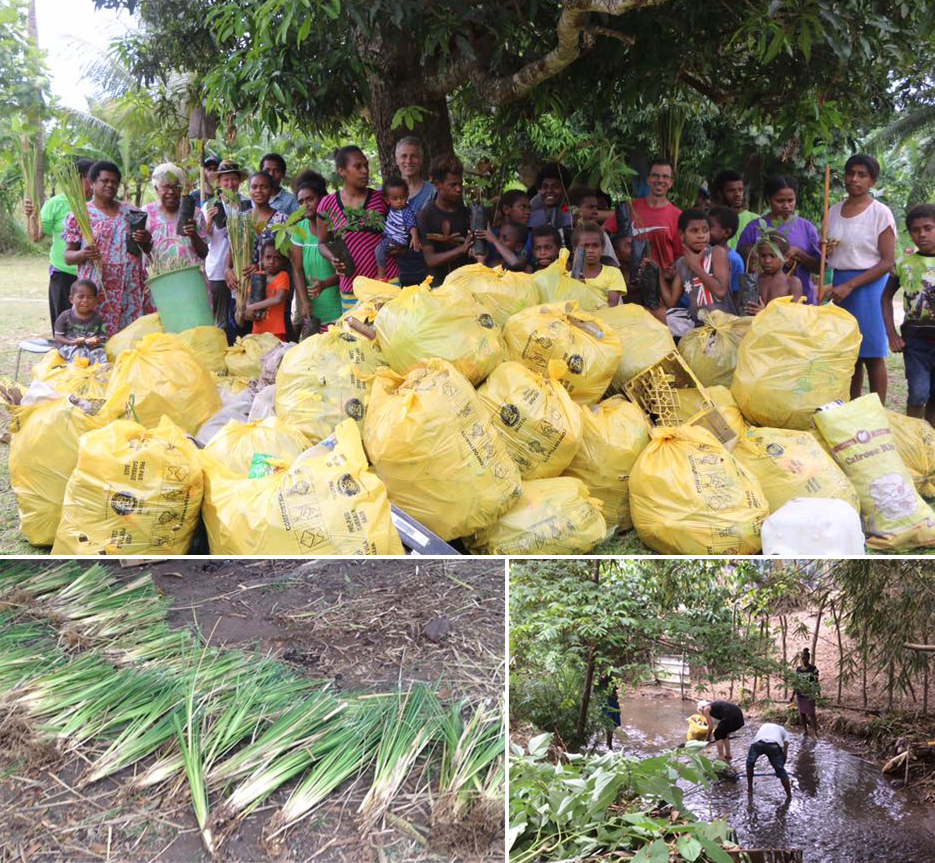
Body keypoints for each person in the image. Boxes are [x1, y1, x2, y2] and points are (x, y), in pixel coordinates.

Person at [827, 154, 897, 402]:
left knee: (872, 354)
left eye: (862, 175)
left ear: (872, 181)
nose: (854, 179)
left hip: (869, 287)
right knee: (849, 354)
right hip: (840, 286)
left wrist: (851, 285)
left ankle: (877, 411)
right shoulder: (833, 211)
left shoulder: (880, 213)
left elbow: (887, 262)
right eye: (850, 173)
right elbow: (827, 255)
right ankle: (851, 408)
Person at [63, 160, 152, 336]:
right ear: (92, 183)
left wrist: (145, 239)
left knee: (129, 338)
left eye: (114, 182)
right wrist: (83, 254)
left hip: (128, 288)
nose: (110, 185)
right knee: (96, 337)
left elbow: (146, 248)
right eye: (105, 181)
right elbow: (68, 256)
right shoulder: (80, 214)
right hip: (97, 288)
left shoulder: (131, 212)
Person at [318, 145, 395, 312]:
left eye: (366, 165)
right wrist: (333, 258)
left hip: (385, 281)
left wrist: (397, 246)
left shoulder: (381, 199)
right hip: (351, 286)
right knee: (354, 328)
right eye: (358, 166)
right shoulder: (327, 205)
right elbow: (322, 243)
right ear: (342, 171)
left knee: (390, 327)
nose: (365, 171)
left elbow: (399, 233)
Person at [24, 157, 94, 333]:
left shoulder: (98, 205)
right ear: (77, 179)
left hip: (93, 276)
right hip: (64, 274)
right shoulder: (55, 204)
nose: (94, 185)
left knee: (91, 328)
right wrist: (31, 216)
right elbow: (36, 237)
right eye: (91, 180)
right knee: (64, 327)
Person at [883, 204, 935, 424]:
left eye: (928, 228)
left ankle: (929, 439)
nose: (921, 234)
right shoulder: (903, 264)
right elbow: (885, 297)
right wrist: (891, 334)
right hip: (915, 341)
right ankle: (911, 434)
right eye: (915, 230)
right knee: (918, 394)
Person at [736, 175, 821, 303]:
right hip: (762, 304)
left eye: (790, 200)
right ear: (768, 200)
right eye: (780, 201)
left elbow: (819, 268)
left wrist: (799, 254)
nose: (786, 205)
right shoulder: (754, 228)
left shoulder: (807, 228)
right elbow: (744, 262)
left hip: (801, 303)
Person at [603, 158, 684, 272]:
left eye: (665, 177)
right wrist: (613, 263)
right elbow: (601, 234)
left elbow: (681, 255)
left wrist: (673, 271)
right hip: (628, 280)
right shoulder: (629, 208)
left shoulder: (678, 216)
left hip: (662, 280)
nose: (660, 180)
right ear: (648, 179)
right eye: (655, 175)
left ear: (671, 182)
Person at [660, 209, 733, 335]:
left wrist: (696, 266)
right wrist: (658, 275)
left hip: (724, 326)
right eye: (694, 231)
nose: (701, 235)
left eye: (705, 230)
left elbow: (720, 292)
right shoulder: (681, 263)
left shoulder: (717, 253)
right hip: (699, 327)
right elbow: (671, 302)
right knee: (659, 316)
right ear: (681, 234)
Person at [203, 160, 249, 339]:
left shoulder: (246, 204)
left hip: (241, 269)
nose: (230, 184)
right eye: (226, 180)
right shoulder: (211, 205)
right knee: (219, 320)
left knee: (239, 316)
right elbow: (204, 239)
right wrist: (208, 223)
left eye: (234, 179)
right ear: (219, 182)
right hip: (217, 270)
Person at [290, 175, 340, 336]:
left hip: (338, 302)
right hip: (313, 306)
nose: (305, 205)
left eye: (310, 199)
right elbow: (297, 269)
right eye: (301, 202)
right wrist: (304, 301)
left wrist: (325, 284)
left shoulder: (335, 227)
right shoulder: (299, 230)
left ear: (322, 199)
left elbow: (345, 268)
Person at [418, 153, 472, 284]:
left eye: (460, 184)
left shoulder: (466, 213)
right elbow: (430, 260)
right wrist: (461, 249)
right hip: (439, 287)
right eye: (453, 185)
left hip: (466, 283)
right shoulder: (426, 216)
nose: (459, 189)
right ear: (437, 184)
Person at [143, 163, 208, 266]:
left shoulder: (194, 213)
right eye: (166, 187)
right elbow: (141, 250)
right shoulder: (146, 214)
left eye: (175, 187)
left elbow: (204, 253)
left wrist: (194, 235)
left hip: (191, 273)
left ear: (181, 188)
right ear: (156, 189)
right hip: (159, 274)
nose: (171, 191)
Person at [394, 136, 435, 286]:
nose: (408, 161)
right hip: (395, 272)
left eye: (414, 156)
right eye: (404, 156)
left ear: (421, 160)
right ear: (397, 160)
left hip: (428, 271)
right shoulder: (384, 193)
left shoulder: (433, 192)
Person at [376, 177, 421, 281]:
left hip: (397, 239)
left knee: (379, 250)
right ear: (387, 200)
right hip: (391, 238)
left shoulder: (406, 211)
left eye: (402, 197)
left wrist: (415, 237)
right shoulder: (391, 208)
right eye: (395, 198)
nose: (399, 201)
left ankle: (381, 277)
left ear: (407, 195)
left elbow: (411, 224)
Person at [571, 221, 626, 305]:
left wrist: (586, 291)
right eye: (585, 246)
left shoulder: (613, 273)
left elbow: (612, 306)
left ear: (603, 248)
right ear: (575, 249)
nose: (590, 250)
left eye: (595, 246)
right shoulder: (567, 278)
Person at [53, 278, 107, 365]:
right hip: (70, 347)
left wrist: (96, 340)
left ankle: (100, 371)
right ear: (71, 299)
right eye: (81, 297)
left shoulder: (99, 318)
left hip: (92, 347)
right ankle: (79, 372)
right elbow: (58, 336)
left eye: (90, 297)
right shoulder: (65, 316)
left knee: (100, 354)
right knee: (79, 354)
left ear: (95, 300)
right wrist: (71, 342)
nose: (85, 300)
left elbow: (103, 337)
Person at [746, 233, 803, 312]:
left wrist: (765, 312)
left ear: (786, 257)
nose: (767, 260)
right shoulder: (753, 280)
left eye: (773, 256)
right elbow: (746, 309)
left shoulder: (792, 283)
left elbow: (795, 314)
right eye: (763, 256)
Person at [247, 240, 289, 340]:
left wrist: (252, 307)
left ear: (282, 261)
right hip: (257, 330)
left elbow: (278, 299)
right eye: (268, 257)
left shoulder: (282, 276)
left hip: (276, 331)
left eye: (276, 258)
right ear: (262, 259)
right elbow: (249, 296)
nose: (271, 261)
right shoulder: (257, 275)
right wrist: (247, 308)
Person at [527, 163, 574, 246]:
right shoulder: (531, 215)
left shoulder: (573, 214)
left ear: (565, 189)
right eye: (545, 187)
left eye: (555, 186)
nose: (549, 190)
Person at [569, 187, 619, 264]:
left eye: (596, 207)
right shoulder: (562, 233)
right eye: (590, 207)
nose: (595, 212)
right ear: (574, 209)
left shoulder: (601, 235)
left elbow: (611, 264)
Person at [713, 169, 758, 250]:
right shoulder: (710, 220)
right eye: (731, 191)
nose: (738, 194)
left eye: (740, 190)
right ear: (719, 193)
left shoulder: (757, 220)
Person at [746, 722, 793, 798]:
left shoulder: (764, 725)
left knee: (749, 764)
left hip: (758, 742)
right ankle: (789, 796)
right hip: (773, 745)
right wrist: (780, 767)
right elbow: (785, 751)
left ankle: (750, 789)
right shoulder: (785, 732)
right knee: (781, 771)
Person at [708, 206, 743, 296]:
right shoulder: (703, 253)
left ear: (726, 232)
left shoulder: (734, 259)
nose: (704, 231)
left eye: (709, 227)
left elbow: (736, 292)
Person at [791, 647, 820, 738]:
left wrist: (818, 694)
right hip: (800, 694)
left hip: (809, 694)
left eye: (805, 658)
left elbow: (816, 682)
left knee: (811, 714)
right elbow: (796, 683)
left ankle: (815, 732)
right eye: (802, 658)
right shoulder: (799, 669)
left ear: (808, 658)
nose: (804, 660)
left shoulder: (813, 669)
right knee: (802, 713)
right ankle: (805, 731)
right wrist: (792, 695)